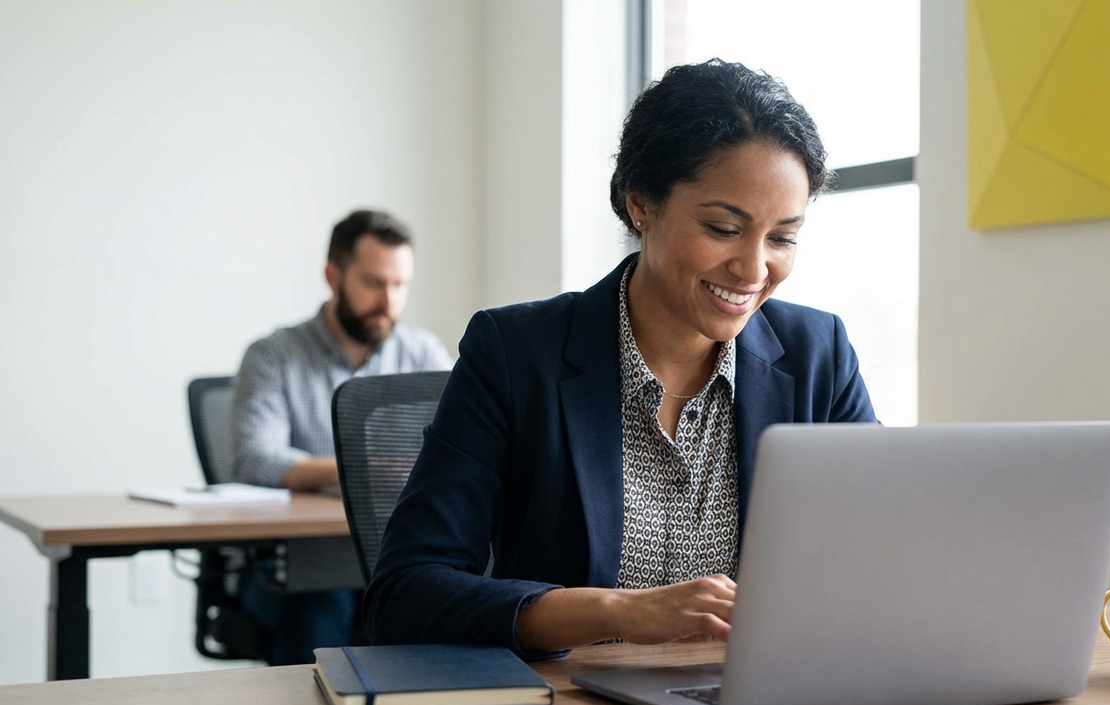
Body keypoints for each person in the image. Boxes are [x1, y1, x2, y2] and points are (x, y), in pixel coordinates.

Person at [364, 60, 876, 658]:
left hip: (753, 703)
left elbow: (880, 553)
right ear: (642, 205)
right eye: (722, 228)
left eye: (783, 237)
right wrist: (619, 612)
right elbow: (404, 595)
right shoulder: (514, 354)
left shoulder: (820, 356)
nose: (754, 268)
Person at [229, 209, 452, 665]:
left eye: (399, 285)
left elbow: (455, 453)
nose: (388, 300)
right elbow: (255, 459)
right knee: (324, 608)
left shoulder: (424, 353)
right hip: (291, 560)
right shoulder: (274, 356)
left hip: (396, 552)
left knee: (434, 605)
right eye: (373, 283)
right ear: (334, 276)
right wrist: (367, 470)